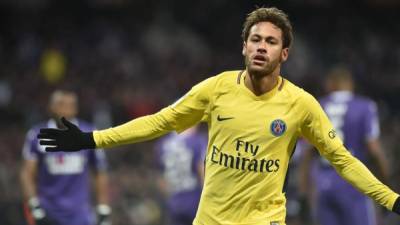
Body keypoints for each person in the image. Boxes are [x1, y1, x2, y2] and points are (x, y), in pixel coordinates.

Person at [37, 7, 400, 225]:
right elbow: (160, 122)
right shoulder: (215, 89)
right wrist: (91, 138)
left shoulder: (301, 104)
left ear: (285, 54)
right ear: (243, 47)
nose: (261, 46)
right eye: (255, 39)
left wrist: (391, 199)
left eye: (271, 41)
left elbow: (343, 159)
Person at [298, 66, 390, 225]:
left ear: (330, 84)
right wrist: (386, 184)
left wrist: (303, 194)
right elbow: (374, 150)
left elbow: (307, 152)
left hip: (324, 185)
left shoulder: (318, 106)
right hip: (355, 185)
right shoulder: (365, 106)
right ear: (350, 84)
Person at [20, 90, 112, 225]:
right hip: (48, 212)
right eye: (62, 105)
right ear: (51, 107)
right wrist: (34, 205)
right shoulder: (37, 135)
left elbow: (100, 171)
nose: (67, 110)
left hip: (80, 214)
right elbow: (27, 173)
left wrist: (103, 208)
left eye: (71, 105)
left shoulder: (88, 133)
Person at [155, 126, 207, 225]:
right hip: (195, 198)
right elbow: (202, 171)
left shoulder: (162, 144)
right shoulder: (197, 141)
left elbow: (161, 180)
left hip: (174, 201)